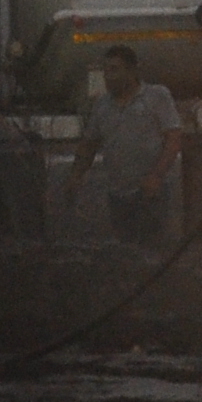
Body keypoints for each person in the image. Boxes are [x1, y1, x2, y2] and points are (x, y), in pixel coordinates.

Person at [70, 42, 186, 249]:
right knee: (125, 248)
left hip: (150, 191)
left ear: (132, 71)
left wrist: (157, 176)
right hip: (118, 193)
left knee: (154, 247)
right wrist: (76, 175)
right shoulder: (102, 105)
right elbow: (89, 144)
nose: (108, 76)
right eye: (105, 70)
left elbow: (173, 138)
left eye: (114, 69)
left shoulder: (156, 97)